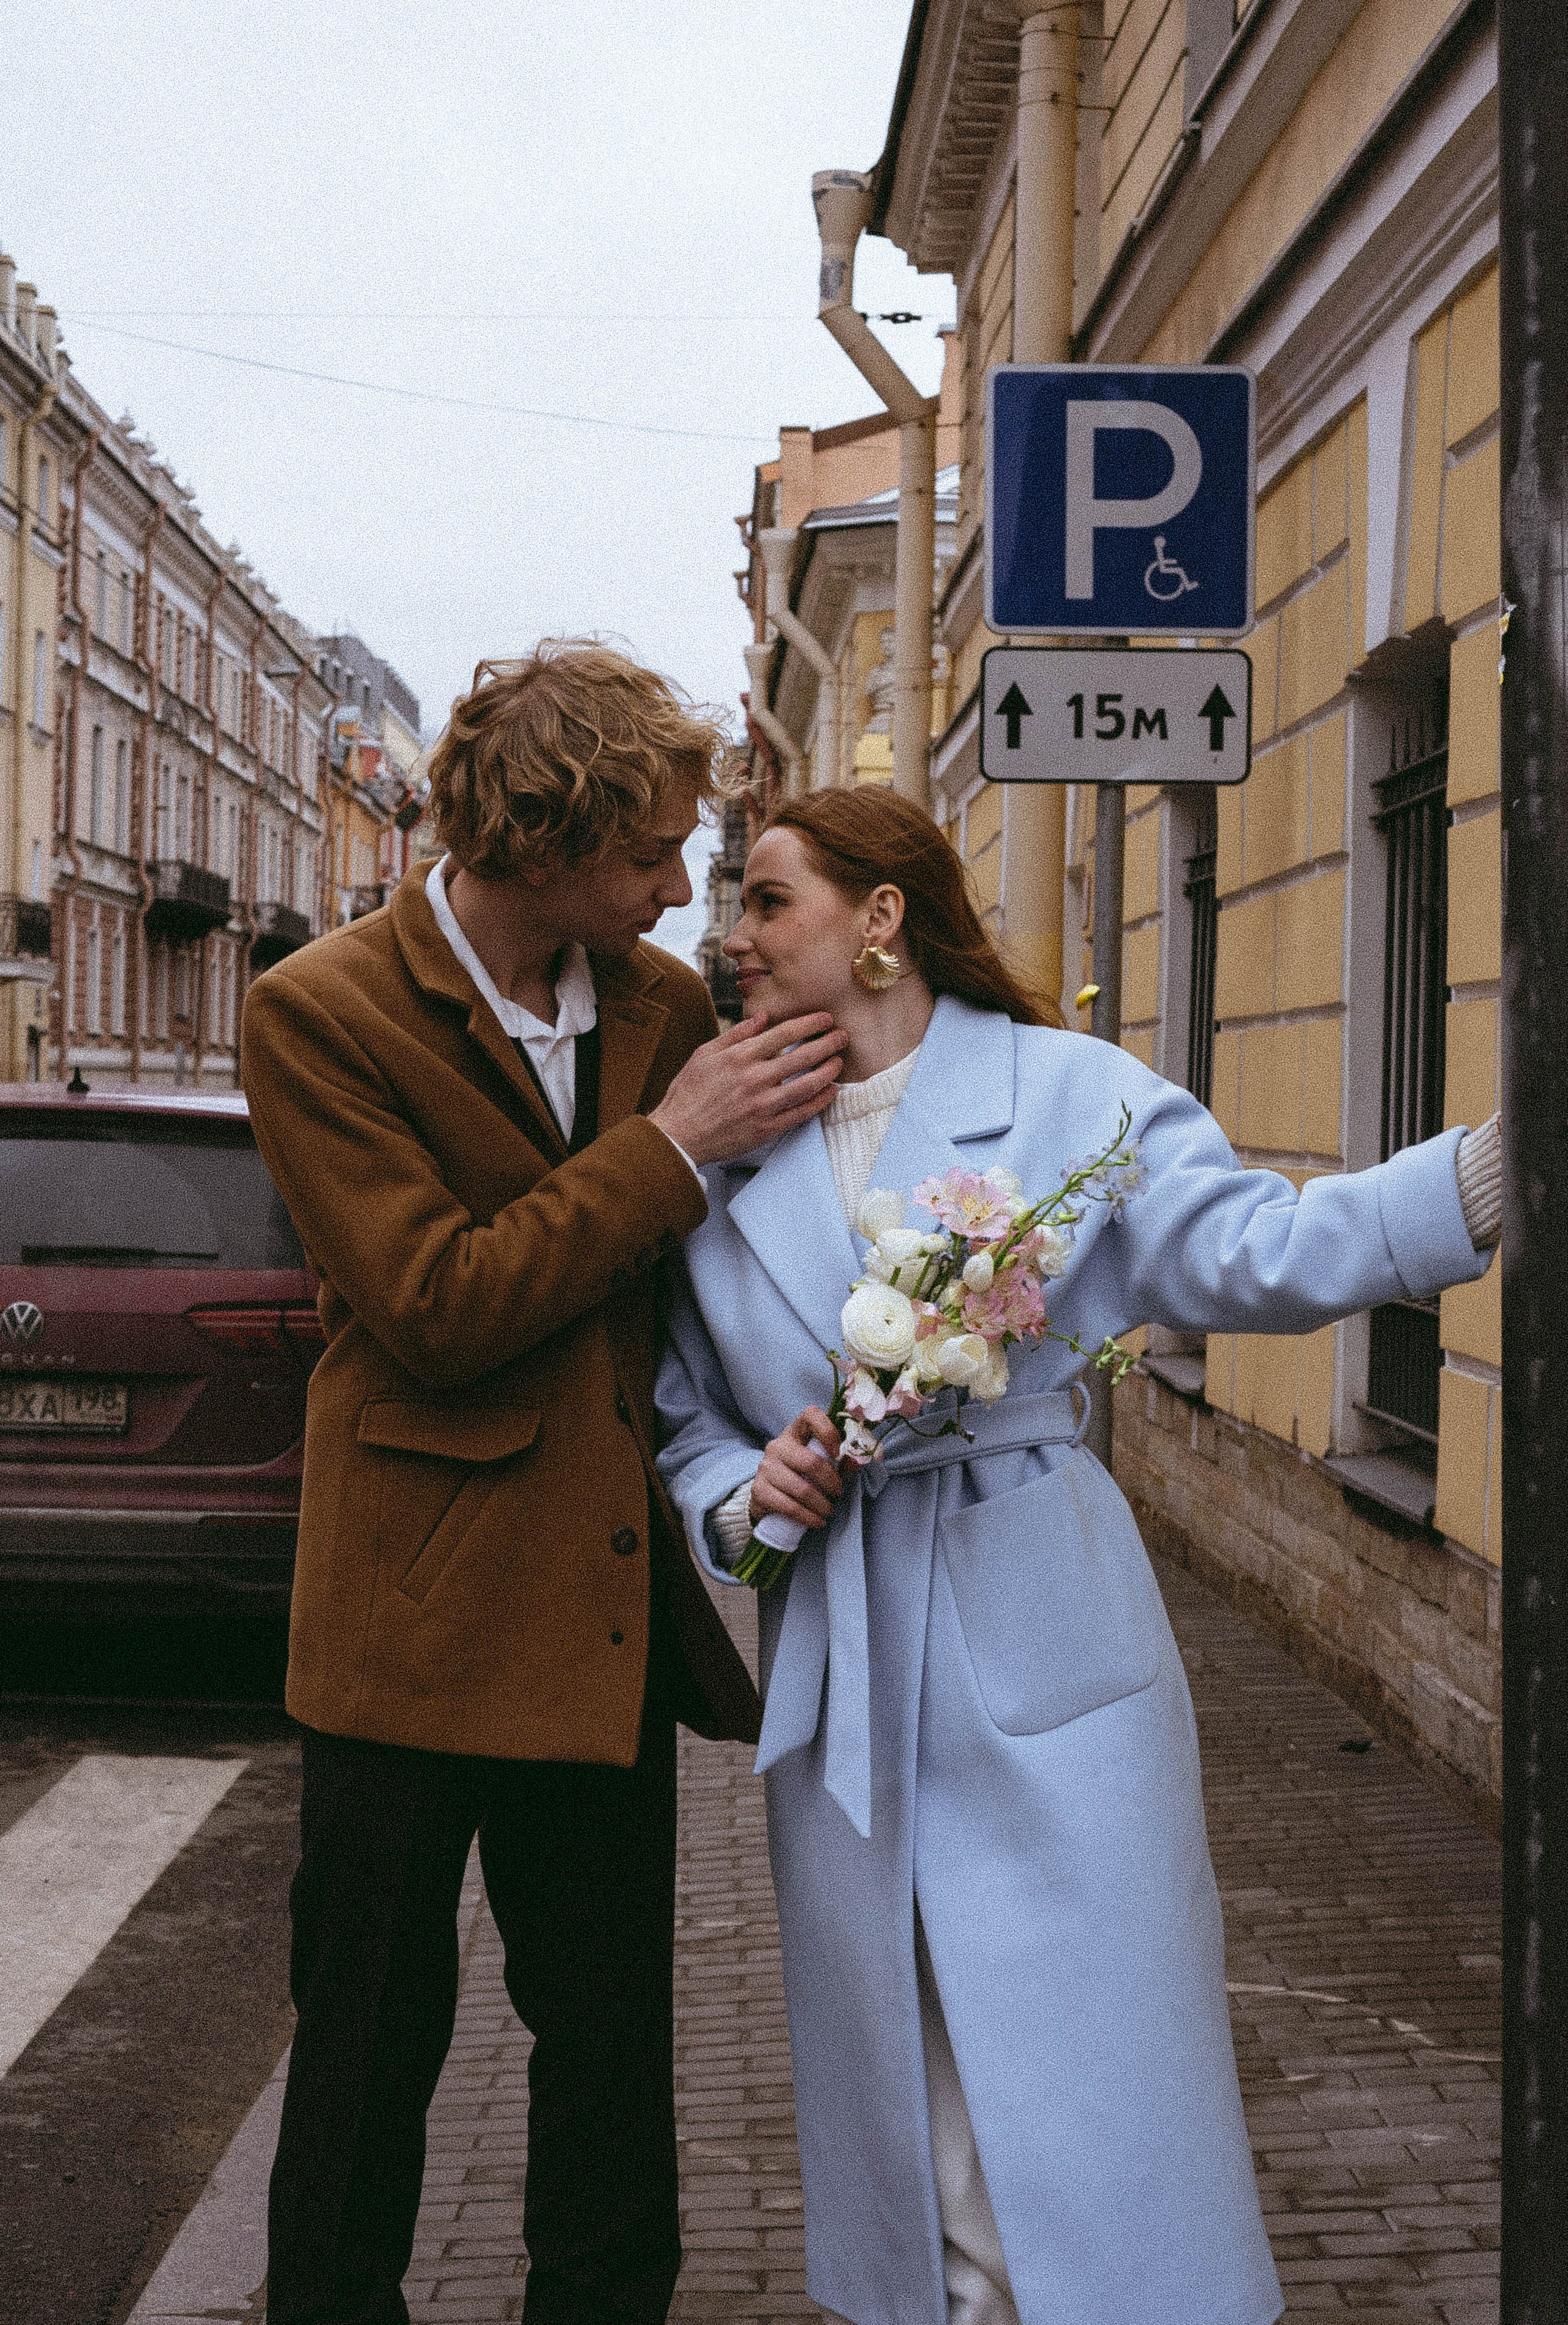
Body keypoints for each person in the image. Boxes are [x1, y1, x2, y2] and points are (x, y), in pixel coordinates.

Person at [655, 785, 1502, 2325]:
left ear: (881, 917)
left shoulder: (1061, 1096)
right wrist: (748, 1491)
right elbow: (682, 1424)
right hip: (844, 1673)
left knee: (1094, 2075)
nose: (734, 941)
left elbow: (1258, 1253)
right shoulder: (718, 1159)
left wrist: (1485, 1179)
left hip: (1038, 1623)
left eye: (769, 903)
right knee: (921, 2115)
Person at [239, 639, 848, 2325]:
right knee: (368, 2061)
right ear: (547, 841)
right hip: (405, 1624)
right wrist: (668, 1150)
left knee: (608, 2065)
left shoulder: (657, 1008)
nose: (681, 891)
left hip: (599, 1614)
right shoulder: (321, 1012)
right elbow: (435, 1306)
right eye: (651, 855)